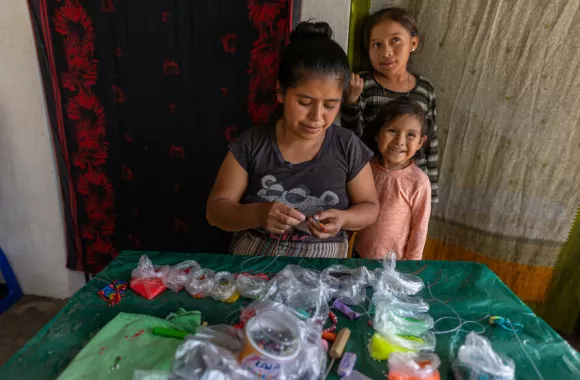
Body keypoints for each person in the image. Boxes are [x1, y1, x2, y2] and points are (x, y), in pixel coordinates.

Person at [206, 22, 379, 258]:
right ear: (280, 92)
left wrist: (344, 219)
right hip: (256, 256)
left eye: (330, 105)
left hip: (323, 261)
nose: (317, 117)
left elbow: (370, 208)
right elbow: (215, 211)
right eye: (304, 103)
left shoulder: (347, 146)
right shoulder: (251, 144)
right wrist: (258, 214)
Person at [341, 7, 439, 204]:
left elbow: (431, 143)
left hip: (409, 189)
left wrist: (431, 194)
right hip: (369, 182)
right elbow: (353, 140)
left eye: (395, 40)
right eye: (376, 44)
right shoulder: (363, 84)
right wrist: (351, 102)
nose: (386, 52)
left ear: (413, 42)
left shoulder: (425, 90)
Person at [354, 98, 431, 260]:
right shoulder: (364, 169)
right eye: (392, 131)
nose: (399, 141)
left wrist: (410, 266)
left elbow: (419, 230)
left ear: (420, 142)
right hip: (358, 253)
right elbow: (353, 209)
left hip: (394, 263)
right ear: (377, 134)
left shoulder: (419, 182)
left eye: (411, 135)